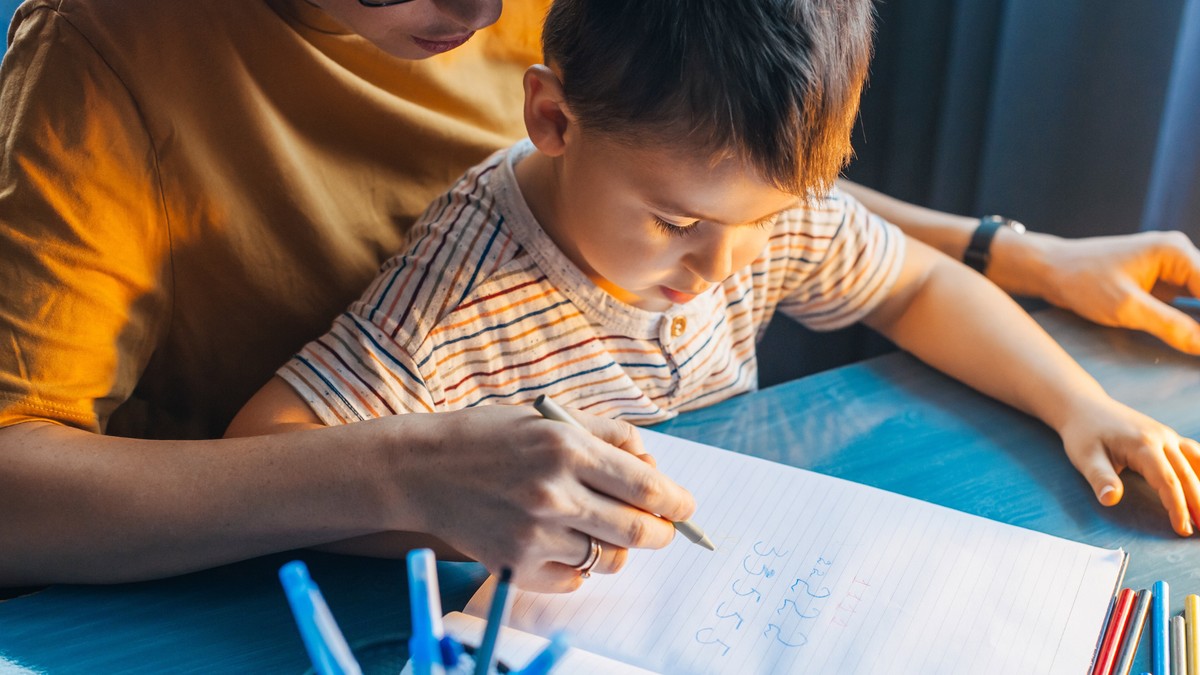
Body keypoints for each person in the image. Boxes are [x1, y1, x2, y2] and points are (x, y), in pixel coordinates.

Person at [0, 0, 1197, 591]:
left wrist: (1008, 258)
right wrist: (412, 482)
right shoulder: (101, 65)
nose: (482, 7)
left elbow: (725, 179)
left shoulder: (714, 207)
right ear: (546, 113)